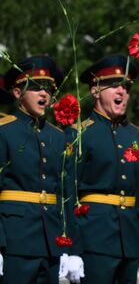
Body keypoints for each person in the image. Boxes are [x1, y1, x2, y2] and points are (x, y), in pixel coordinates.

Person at [66, 54, 139, 283]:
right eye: (114, 86)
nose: (121, 92)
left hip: (129, 242)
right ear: (95, 91)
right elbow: (68, 195)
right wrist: (73, 249)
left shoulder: (135, 136)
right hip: (94, 242)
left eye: (126, 87)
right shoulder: (79, 134)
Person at [0, 55, 83, 283]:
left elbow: (66, 194)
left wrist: (72, 246)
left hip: (51, 243)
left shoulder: (58, 136)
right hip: (15, 241)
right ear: (17, 93)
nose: (44, 94)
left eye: (47, 88)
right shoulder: (4, 131)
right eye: (36, 87)